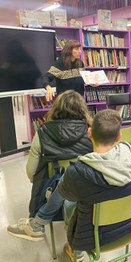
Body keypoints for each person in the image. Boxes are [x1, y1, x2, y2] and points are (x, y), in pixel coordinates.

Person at [58, 109, 131, 261]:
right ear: (119, 136)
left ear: (89, 133)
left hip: (95, 236)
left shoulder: (77, 171)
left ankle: (76, 251)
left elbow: (64, 193)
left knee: (68, 204)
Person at [7, 90, 93, 241]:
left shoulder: (43, 132)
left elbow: (31, 171)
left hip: (50, 192)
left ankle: (36, 224)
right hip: (85, 193)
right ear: (82, 109)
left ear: (56, 108)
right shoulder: (91, 131)